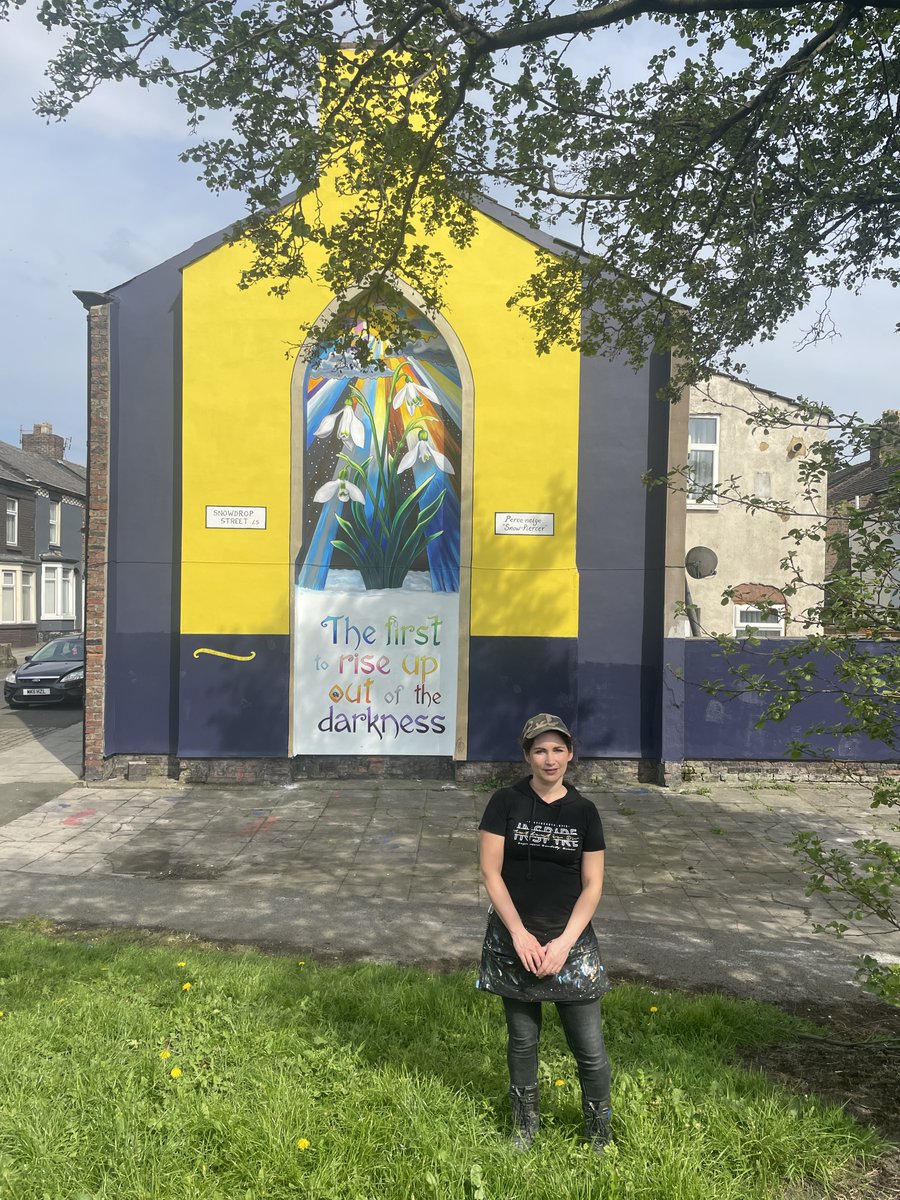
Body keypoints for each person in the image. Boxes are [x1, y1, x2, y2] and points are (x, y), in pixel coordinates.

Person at [476, 713, 611, 1152]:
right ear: (527, 756)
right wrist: (518, 934)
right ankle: (524, 1128)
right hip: (516, 941)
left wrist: (564, 943)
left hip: (570, 943)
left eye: (557, 749)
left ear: (570, 753)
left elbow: (593, 885)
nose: (549, 759)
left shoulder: (585, 812)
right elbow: (491, 872)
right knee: (522, 1041)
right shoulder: (504, 802)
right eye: (540, 750)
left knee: (589, 1049)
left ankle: (598, 1133)